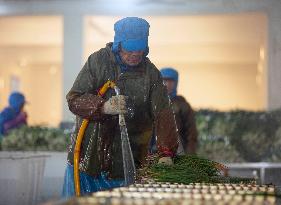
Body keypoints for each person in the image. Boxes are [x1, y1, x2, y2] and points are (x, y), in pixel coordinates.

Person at [62, 17, 179, 197]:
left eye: (139, 49)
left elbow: (163, 114)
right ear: (118, 44)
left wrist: (166, 152)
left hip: (129, 162)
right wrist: (102, 107)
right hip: (89, 158)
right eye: (129, 49)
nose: (134, 55)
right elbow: (74, 99)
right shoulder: (98, 62)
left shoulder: (151, 74)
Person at [160, 67, 198, 154]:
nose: (167, 84)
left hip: (177, 151)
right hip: (154, 152)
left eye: (171, 81)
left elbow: (191, 134)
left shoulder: (183, 105)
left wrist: (189, 156)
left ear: (176, 83)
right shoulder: (152, 102)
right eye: (164, 81)